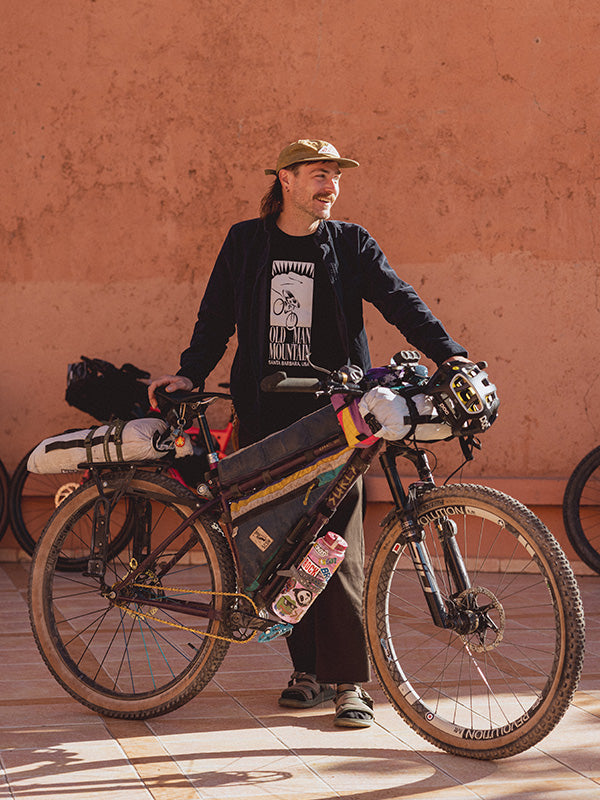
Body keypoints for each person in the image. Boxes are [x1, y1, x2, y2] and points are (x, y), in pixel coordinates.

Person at [149, 138, 469, 728]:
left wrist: (451, 355)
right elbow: (216, 316)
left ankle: (349, 682)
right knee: (276, 541)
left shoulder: (349, 243)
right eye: (318, 175)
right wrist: (190, 372)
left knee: (335, 542)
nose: (330, 186)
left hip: (338, 416)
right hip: (264, 415)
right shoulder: (247, 241)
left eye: (336, 177)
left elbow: (400, 300)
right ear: (285, 180)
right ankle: (307, 672)